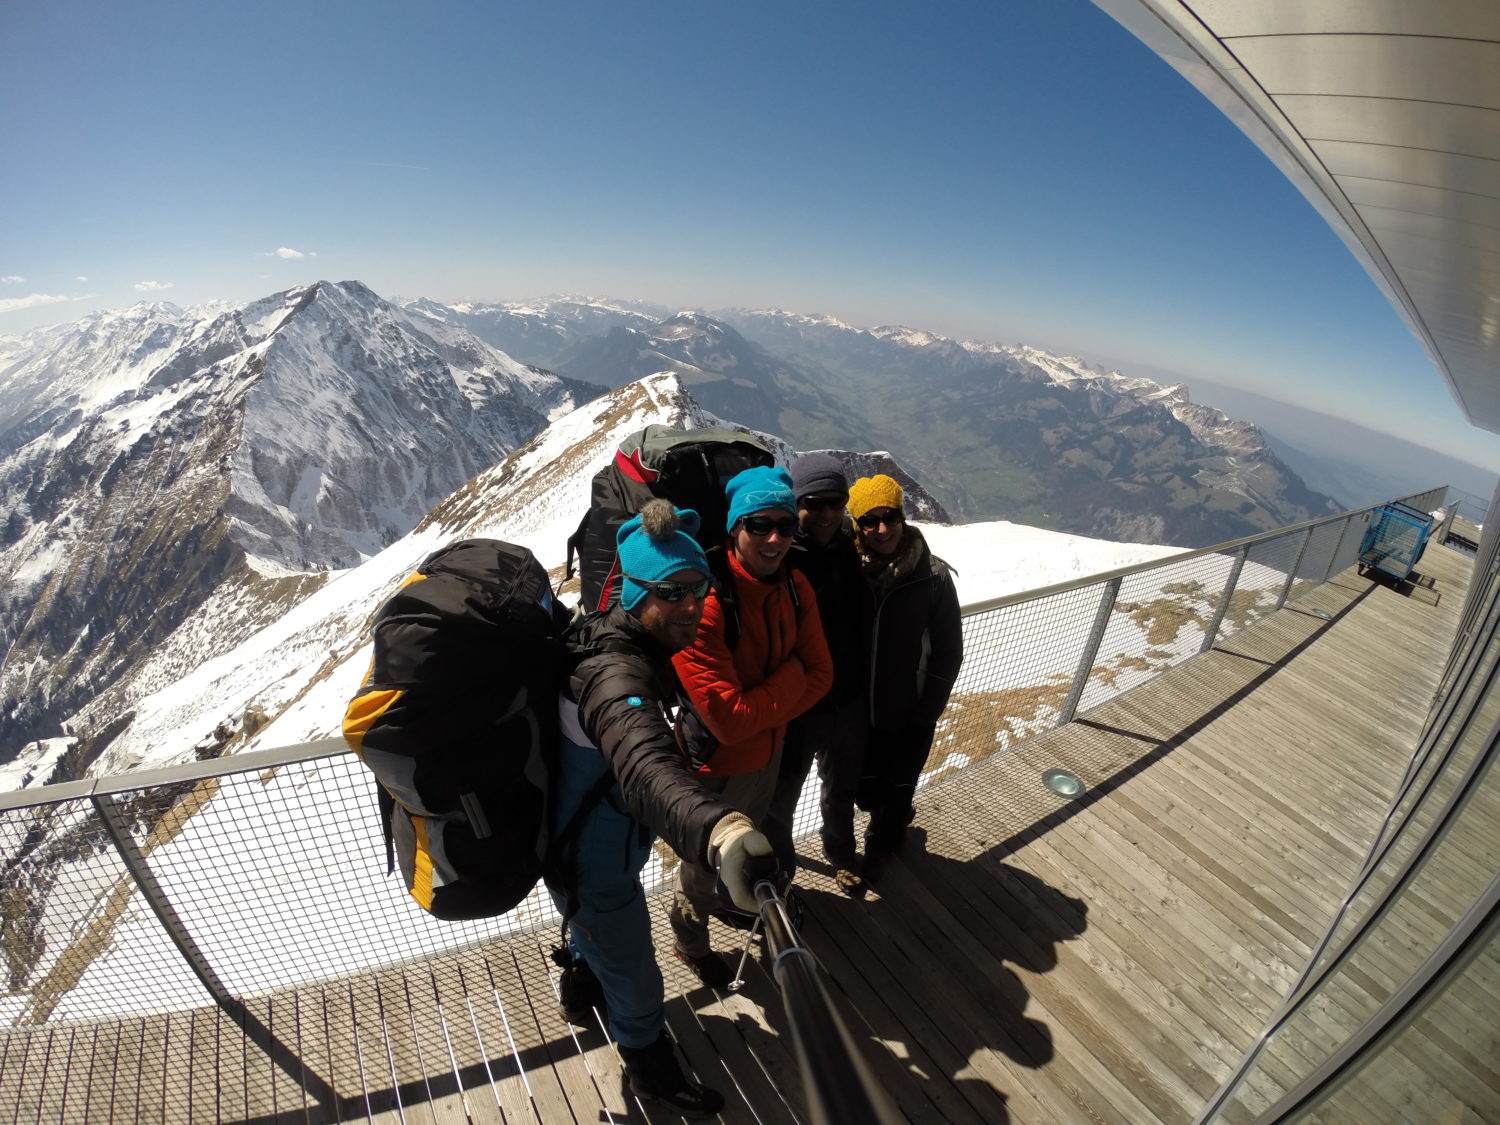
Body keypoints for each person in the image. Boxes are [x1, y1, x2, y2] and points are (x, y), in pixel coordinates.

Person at [550, 499, 778, 1117]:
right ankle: (651, 1069)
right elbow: (647, 766)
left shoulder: (616, 636)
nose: (693, 604)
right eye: (672, 591)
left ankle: (579, 983)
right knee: (639, 979)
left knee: (596, 937)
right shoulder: (615, 676)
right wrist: (719, 829)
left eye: (699, 587)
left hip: (584, 850)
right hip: (594, 866)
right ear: (632, 592)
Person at [669, 465, 834, 985]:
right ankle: (690, 944)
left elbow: (824, 674)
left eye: (785, 526)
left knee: (752, 848)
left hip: (766, 754)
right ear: (733, 529)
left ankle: (738, 908)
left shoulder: (795, 585)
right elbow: (726, 720)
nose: (774, 538)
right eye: (759, 525)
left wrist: (761, 705)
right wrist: (790, 679)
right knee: (699, 871)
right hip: (714, 771)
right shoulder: (703, 604)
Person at [762, 453, 872, 896]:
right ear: (797, 505)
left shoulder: (851, 548)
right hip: (800, 706)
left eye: (835, 502)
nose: (826, 513)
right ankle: (780, 875)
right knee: (781, 800)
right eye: (814, 503)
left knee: (840, 789)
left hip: (845, 699)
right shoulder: (782, 557)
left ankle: (841, 855)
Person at [847, 473, 964, 880]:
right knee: (864, 787)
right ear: (857, 524)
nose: (882, 529)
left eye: (891, 516)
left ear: (903, 516)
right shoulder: (847, 572)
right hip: (856, 712)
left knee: (896, 788)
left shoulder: (931, 577)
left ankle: (883, 844)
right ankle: (888, 821)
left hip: (908, 712)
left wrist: (926, 711)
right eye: (870, 520)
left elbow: (948, 651)